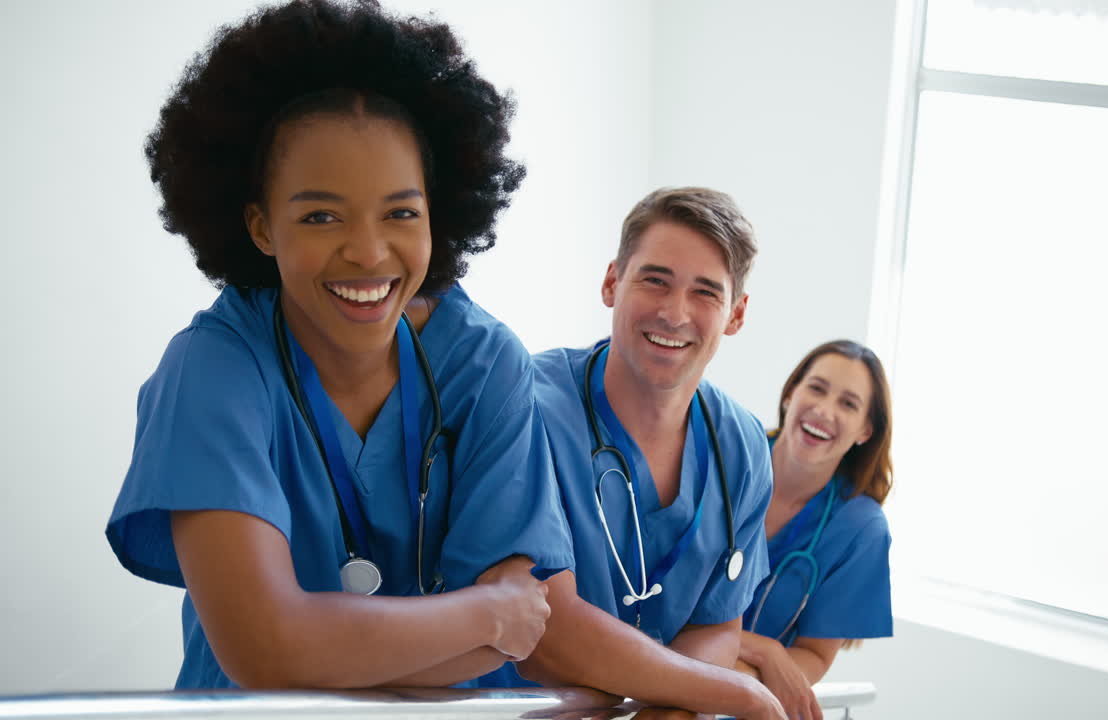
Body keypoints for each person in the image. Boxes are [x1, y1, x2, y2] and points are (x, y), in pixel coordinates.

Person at [104, 0, 572, 690]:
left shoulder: (482, 362)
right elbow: (266, 651)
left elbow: (523, 630)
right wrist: (483, 616)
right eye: (321, 215)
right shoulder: (212, 370)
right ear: (262, 228)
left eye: (401, 213)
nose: (367, 250)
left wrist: (329, 645)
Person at [474, 187, 785, 720]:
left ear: (736, 315)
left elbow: (714, 624)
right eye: (655, 280)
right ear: (612, 282)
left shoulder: (744, 446)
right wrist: (742, 694)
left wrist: (665, 715)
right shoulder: (525, 404)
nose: (674, 312)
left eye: (706, 293)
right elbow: (548, 631)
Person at [736, 340, 895, 720]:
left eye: (848, 404)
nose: (824, 411)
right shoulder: (729, 454)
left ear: (865, 431)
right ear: (791, 393)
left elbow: (815, 653)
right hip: (655, 657)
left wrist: (743, 674)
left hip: (747, 693)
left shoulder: (862, 529)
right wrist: (765, 651)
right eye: (817, 388)